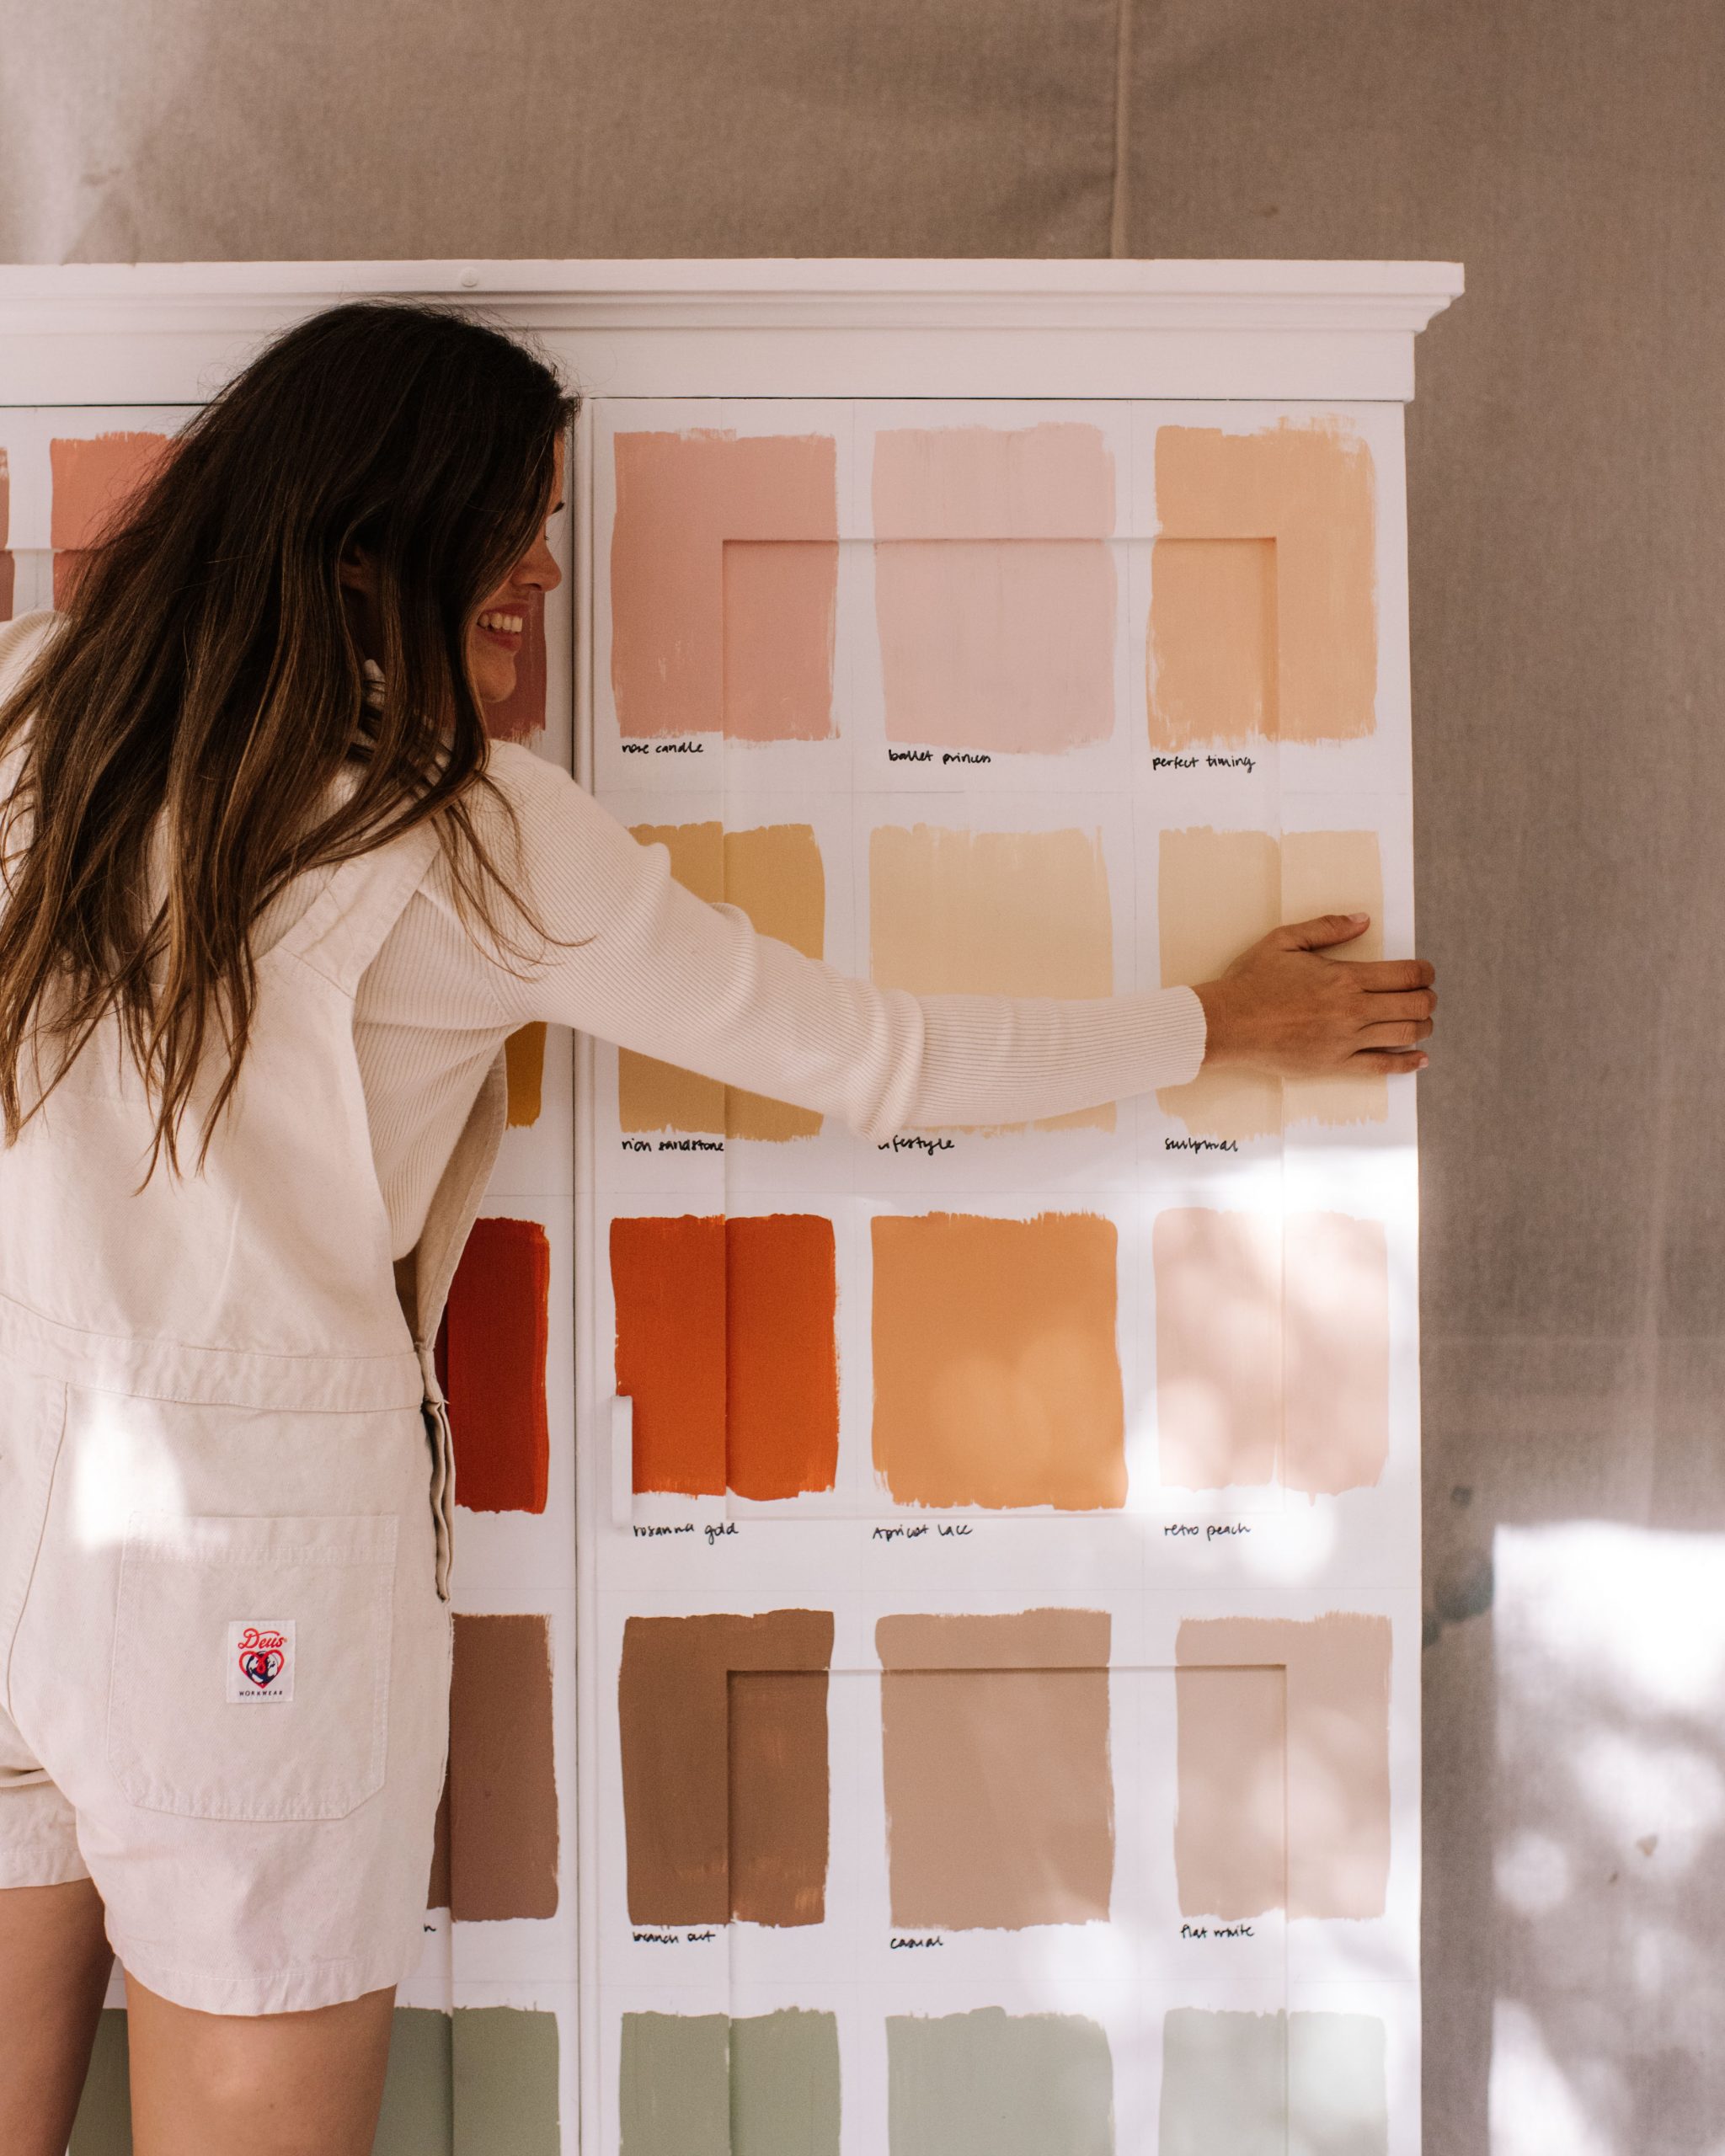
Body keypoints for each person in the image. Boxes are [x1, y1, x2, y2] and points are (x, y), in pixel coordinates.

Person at [0, 303, 1434, 2156]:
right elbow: (874, 1051)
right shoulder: (471, 835)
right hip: (237, 1559)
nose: (539, 570)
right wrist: (1212, 1024)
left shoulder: (40, 705)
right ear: (368, 543)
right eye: (506, 525)